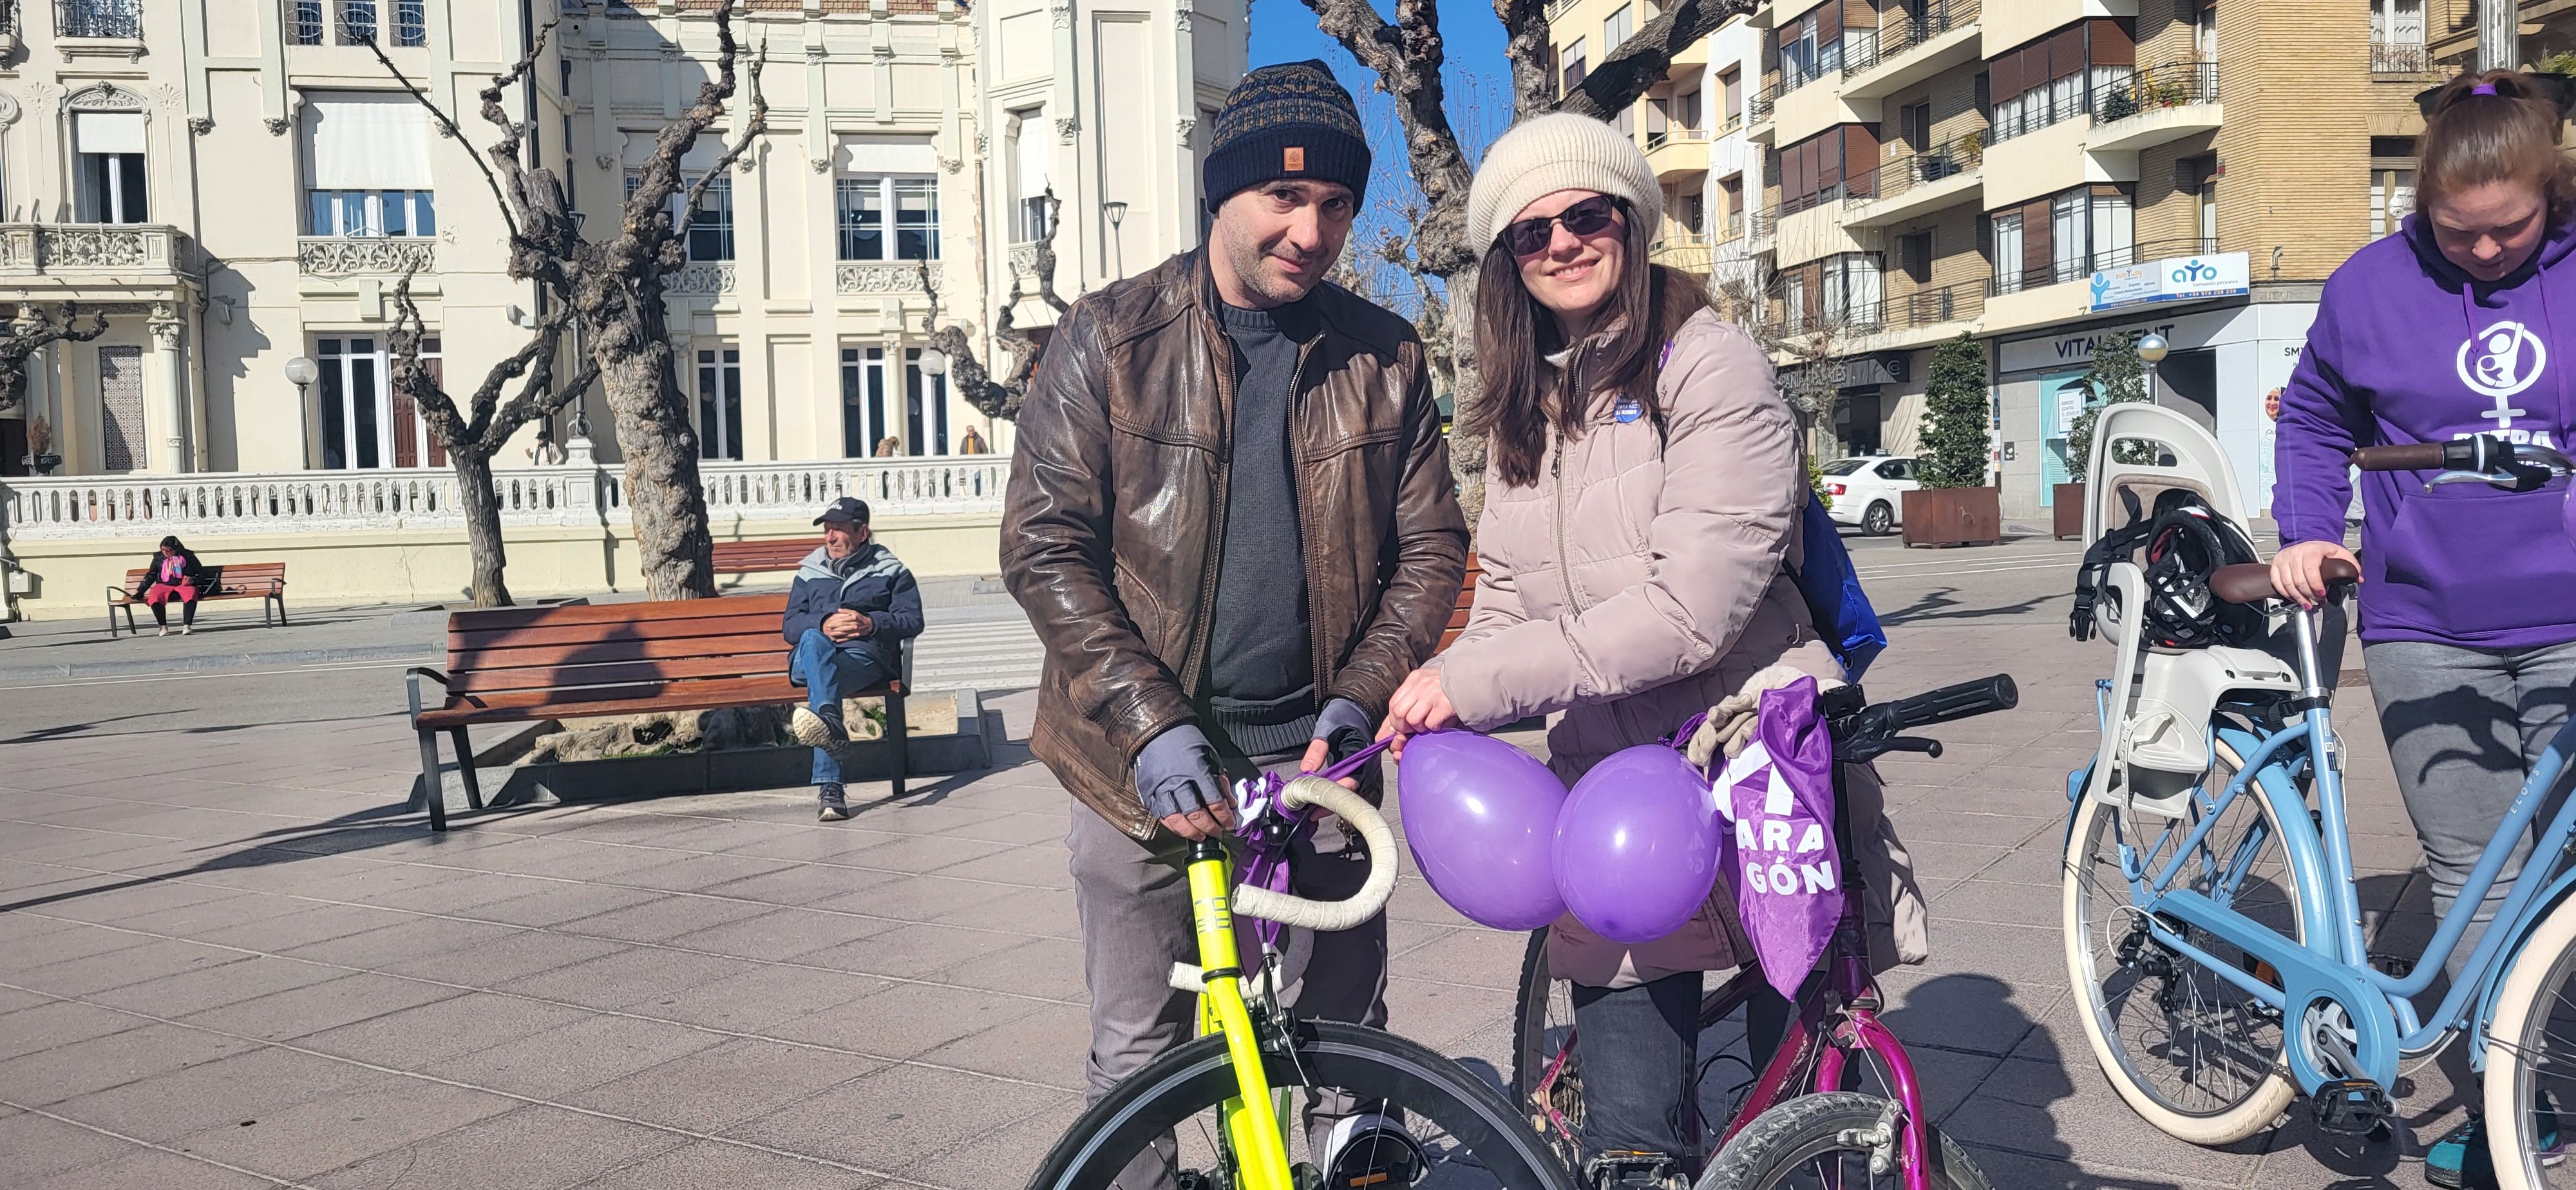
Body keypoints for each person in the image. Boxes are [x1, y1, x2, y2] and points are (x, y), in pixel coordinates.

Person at [1374, 112, 1929, 1184]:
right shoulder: (1525, 408)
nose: (1563, 244)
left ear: (1630, 223)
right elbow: (1506, 611)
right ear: (1506, 266)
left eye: (1586, 216)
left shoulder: (1709, 363)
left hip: (1765, 778)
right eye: (1532, 234)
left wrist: (1476, 675)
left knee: (1810, 1131)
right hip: (1612, 817)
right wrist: (1442, 696)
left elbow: (1693, 611)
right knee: (1631, 1144)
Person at [1002, 59, 1467, 1189]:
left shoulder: (1386, 354)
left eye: (1337, 204)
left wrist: (1357, 698)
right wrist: (1152, 725)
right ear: (1225, 192)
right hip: (1137, 765)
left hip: (1320, 758)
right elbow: (1043, 543)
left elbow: (1432, 553)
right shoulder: (1108, 337)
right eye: (1284, 197)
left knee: (1350, 1042)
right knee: (1139, 1048)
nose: (1311, 229)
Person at [2270, 69, 2576, 1189]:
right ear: (2422, 203)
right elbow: (2312, 416)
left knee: (2563, 861)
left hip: (2571, 614)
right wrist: (2308, 530)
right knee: (2477, 866)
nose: (2487, 252)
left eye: (2512, 229)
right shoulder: (2368, 286)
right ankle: (2521, 1104)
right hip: (2425, 618)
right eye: (2460, 232)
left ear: (2555, 191)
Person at [781, 497, 924, 821]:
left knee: (822, 688)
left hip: (861, 660)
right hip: (807, 660)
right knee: (812, 638)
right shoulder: (809, 572)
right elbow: (790, 626)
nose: (829, 537)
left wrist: (870, 623)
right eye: (827, 530)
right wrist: (822, 623)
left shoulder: (891, 570)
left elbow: (913, 620)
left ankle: (829, 766)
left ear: (862, 533)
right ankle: (831, 727)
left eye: (838, 530)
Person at [131, 536, 211, 636]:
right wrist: (140, 591)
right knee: (155, 595)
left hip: (183, 584)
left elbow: (200, 573)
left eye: (169, 550)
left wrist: (193, 579)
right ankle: (163, 626)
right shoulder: (158, 558)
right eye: (163, 550)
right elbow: (151, 575)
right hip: (165, 585)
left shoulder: (188, 556)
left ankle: (187, 626)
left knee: (191, 593)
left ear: (176, 549)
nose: (165, 553)